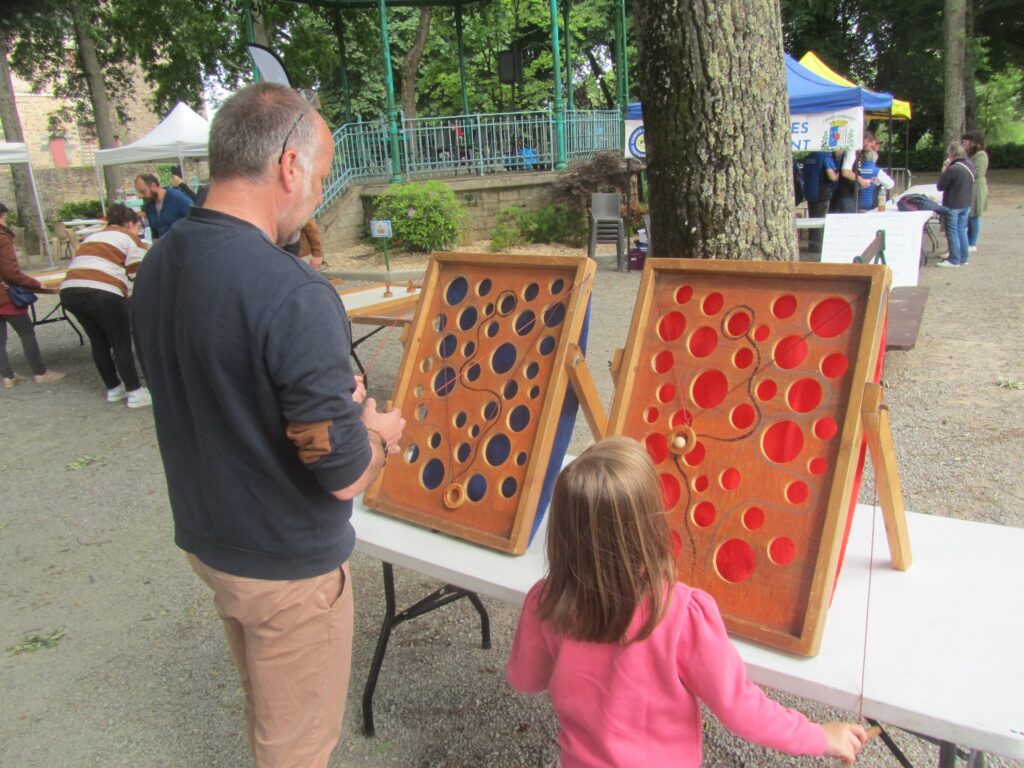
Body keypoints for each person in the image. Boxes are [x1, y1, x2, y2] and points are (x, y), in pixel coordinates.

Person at [131, 82, 405, 768]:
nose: (315, 194)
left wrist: (330, 406)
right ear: (287, 167)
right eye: (317, 178)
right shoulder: (291, 290)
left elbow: (222, 382)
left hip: (212, 541)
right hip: (285, 567)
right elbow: (342, 475)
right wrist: (376, 430)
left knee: (271, 717)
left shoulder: (160, 262)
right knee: (296, 750)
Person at [507, 438, 868, 768]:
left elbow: (525, 679)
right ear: (649, 522)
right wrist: (820, 736)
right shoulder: (683, 614)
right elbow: (740, 709)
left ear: (562, 529)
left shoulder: (545, 601)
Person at [59, 203, 151, 408]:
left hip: (70, 290)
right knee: (121, 342)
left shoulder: (93, 237)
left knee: (99, 341)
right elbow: (137, 273)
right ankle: (135, 392)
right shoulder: (129, 238)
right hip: (103, 291)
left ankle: (113, 388)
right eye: (138, 226)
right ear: (130, 223)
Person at [0, 202, 65, 388]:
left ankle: (8, 376)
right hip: (5, 294)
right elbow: (10, 271)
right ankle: (40, 372)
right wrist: (34, 283)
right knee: (26, 332)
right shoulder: (1, 237)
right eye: (4, 217)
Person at [935, 141, 976, 268]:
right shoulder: (970, 166)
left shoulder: (953, 169)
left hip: (953, 204)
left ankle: (954, 259)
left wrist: (944, 171)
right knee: (962, 230)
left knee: (952, 231)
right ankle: (963, 258)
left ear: (952, 154)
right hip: (966, 203)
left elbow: (940, 186)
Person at [801, 150, 839, 252]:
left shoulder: (809, 157)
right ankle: (819, 249)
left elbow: (803, 175)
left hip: (809, 193)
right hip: (822, 194)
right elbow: (832, 176)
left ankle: (812, 247)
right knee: (821, 222)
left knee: (812, 221)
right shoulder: (825, 158)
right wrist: (838, 174)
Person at [134, 172, 193, 238]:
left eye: (143, 191)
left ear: (153, 186)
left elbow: (196, 220)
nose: (140, 195)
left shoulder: (177, 197)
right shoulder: (149, 206)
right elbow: (154, 231)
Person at [834, 131, 880, 214]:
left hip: (852, 194)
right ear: (865, 141)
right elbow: (845, 171)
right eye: (872, 146)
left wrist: (867, 181)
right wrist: (860, 180)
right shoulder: (851, 151)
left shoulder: (858, 153)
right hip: (846, 195)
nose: (872, 149)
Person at [961, 131, 988, 252]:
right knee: (969, 215)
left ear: (974, 143)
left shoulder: (981, 155)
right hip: (969, 187)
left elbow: (978, 173)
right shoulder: (968, 155)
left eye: (966, 141)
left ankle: (972, 243)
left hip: (977, 188)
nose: (964, 143)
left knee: (974, 216)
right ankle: (968, 241)